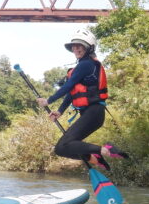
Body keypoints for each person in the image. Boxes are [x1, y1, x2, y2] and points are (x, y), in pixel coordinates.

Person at [36, 30, 127, 169]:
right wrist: (60, 111)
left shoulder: (86, 64)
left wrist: (49, 100)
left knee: (62, 147)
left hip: (94, 112)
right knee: (64, 147)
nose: (75, 49)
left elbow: (68, 85)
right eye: (74, 46)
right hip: (91, 114)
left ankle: (105, 150)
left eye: (80, 46)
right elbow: (73, 92)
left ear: (88, 47)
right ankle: (95, 158)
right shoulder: (82, 66)